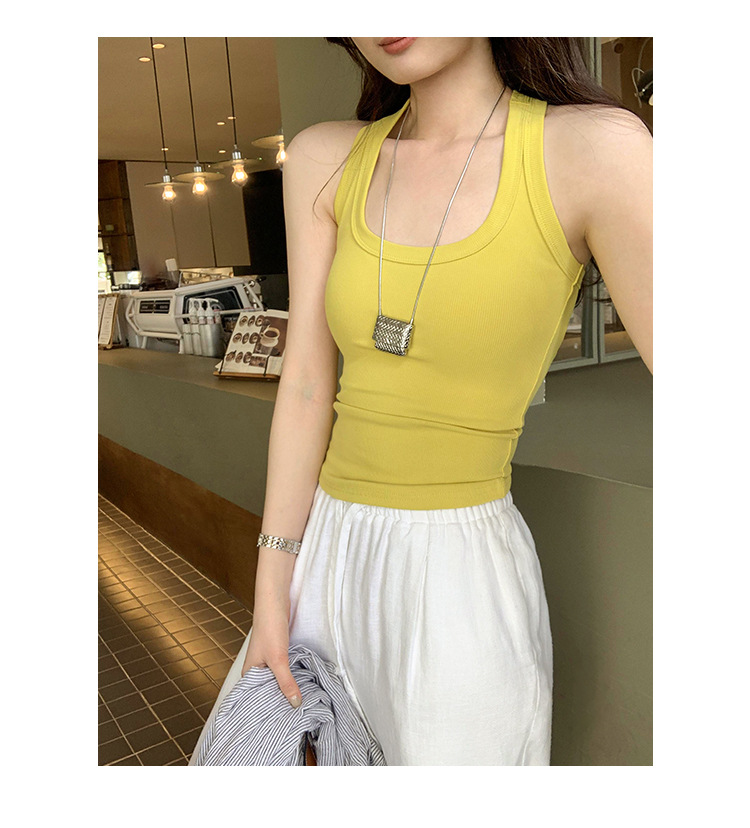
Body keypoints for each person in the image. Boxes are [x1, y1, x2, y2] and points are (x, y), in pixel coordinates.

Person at [189, 37, 652, 766]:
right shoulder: (323, 157)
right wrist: (272, 588)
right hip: (321, 561)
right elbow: (306, 383)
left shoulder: (594, 150)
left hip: (458, 579)